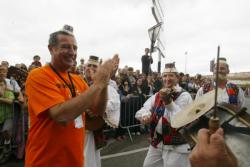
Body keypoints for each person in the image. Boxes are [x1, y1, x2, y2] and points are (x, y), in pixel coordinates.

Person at [24, 25, 117, 167]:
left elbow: (98, 111)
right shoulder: (38, 75)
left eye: (75, 48)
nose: (72, 52)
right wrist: (97, 85)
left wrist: (104, 84)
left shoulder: (78, 80)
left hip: (76, 161)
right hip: (44, 162)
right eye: (66, 47)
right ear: (51, 48)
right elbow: (61, 116)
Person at [135, 62, 193, 167]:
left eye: (171, 75)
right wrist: (145, 115)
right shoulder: (158, 94)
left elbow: (179, 120)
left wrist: (169, 103)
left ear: (177, 78)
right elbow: (144, 109)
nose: (167, 78)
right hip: (158, 142)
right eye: (165, 76)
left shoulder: (184, 96)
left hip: (176, 145)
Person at [0, 65, 15, 163]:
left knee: (6, 131)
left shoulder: (9, 89)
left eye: (2, 86)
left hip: (8, 115)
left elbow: (10, 101)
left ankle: (7, 148)